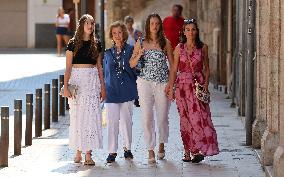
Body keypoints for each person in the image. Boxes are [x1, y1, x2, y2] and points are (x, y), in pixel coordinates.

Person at [166, 19, 219, 163]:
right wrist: (171, 88)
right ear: (183, 32)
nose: (190, 32)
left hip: (197, 87)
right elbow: (174, 70)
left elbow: (207, 69)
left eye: (193, 29)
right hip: (182, 87)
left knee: (198, 119)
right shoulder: (179, 48)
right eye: (187, 29)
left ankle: (198, 150)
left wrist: (206, 86)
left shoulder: (203, 48)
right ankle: (187, 151)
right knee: (185, 120)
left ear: (197, 31)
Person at [129, 13, 174, 163]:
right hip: (144, 83)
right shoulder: (140, 42)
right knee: (147, 117)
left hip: (162, 83)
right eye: (152, 23)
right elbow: (132, 64)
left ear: (160, 25)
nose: (154, 26)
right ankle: (150, 150)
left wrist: (171, 85)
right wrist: (139, 54)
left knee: (162, 117)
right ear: (148, 26)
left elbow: (173, 66)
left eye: (157, 23)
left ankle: (161, 143)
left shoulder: (165, 42)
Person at [64, 14, 106, 165]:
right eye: (87, 23)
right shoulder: (72, 43)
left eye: (92, 24)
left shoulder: (97, 44)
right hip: (77, 81)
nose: (90, 26)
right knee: (77, 116)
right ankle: (78, 151)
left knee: (91, 117)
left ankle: (88, 153)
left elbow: (100, 67)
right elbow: (68, 67)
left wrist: (103, 87)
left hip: (92, 82)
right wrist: (66, 86)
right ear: (81, 25)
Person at [103, 21, 138, 163]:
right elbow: (105, 73)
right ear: (111, 35)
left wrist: (138, 54)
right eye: (114, 33)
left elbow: (136, 68)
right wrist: (103, 89)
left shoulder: (131, 49)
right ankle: (112, 151)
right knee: (112, 122)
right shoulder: (107, 53)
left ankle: (127, 149)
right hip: (111, 91)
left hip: (127, 90)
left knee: (126, 121)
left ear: (124, 33)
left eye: (119, 32)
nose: (117, 36)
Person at [124, 15, 142, 107]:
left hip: (136, 57)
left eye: (131, 23)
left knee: (136, 77)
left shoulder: (137, 33)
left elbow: (141, 43)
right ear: (126, 23)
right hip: (127, 57)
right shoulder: (124, 33)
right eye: (128, 23)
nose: (129, 25)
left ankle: (137, 98)